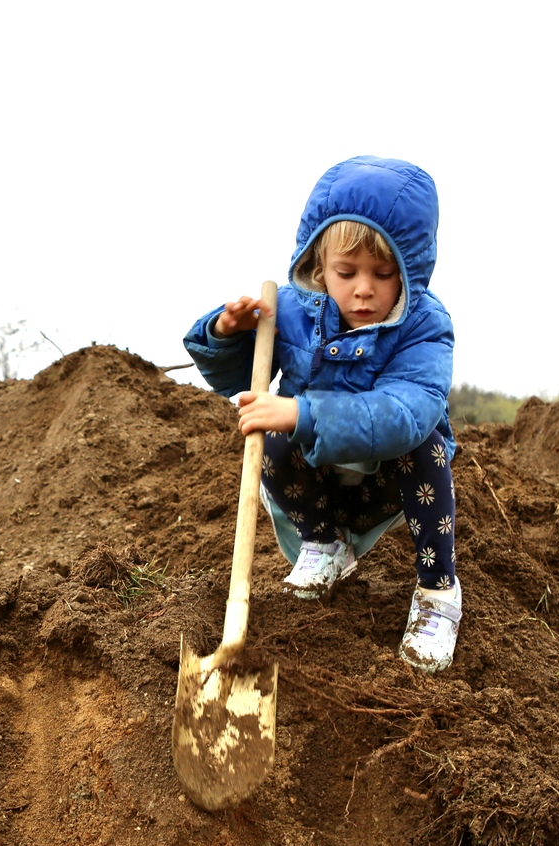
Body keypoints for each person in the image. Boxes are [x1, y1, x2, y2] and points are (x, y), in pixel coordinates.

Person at [183, 156, 461, 672]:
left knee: (425, 445)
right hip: (317, 481)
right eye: (346, 272)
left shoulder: (424, 326)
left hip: (390, 479)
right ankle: (323, 544)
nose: (363, 289)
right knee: (267, 425)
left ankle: (437, 591)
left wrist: (303, 413)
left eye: (383, 274)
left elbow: (407, 412)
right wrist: (224, 333)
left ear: (411, 268)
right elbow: (242, 380)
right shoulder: (292, 309)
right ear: (318, 262)